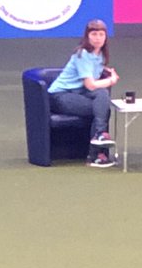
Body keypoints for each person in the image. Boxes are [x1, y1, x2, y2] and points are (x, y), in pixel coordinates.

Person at [48, 18, 120, 167]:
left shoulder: (100, 55)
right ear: (87, 36)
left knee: (102, 96)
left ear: (105, 37)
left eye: (101, 34)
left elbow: (92, 77)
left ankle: (97, 147)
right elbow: (91, 85)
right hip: (60, 96)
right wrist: (111, 80)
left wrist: (105, 70)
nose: (98, 38)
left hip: (79, 94)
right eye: (94, 34)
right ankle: (95, 154)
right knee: (101, 109)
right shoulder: (82, 54)